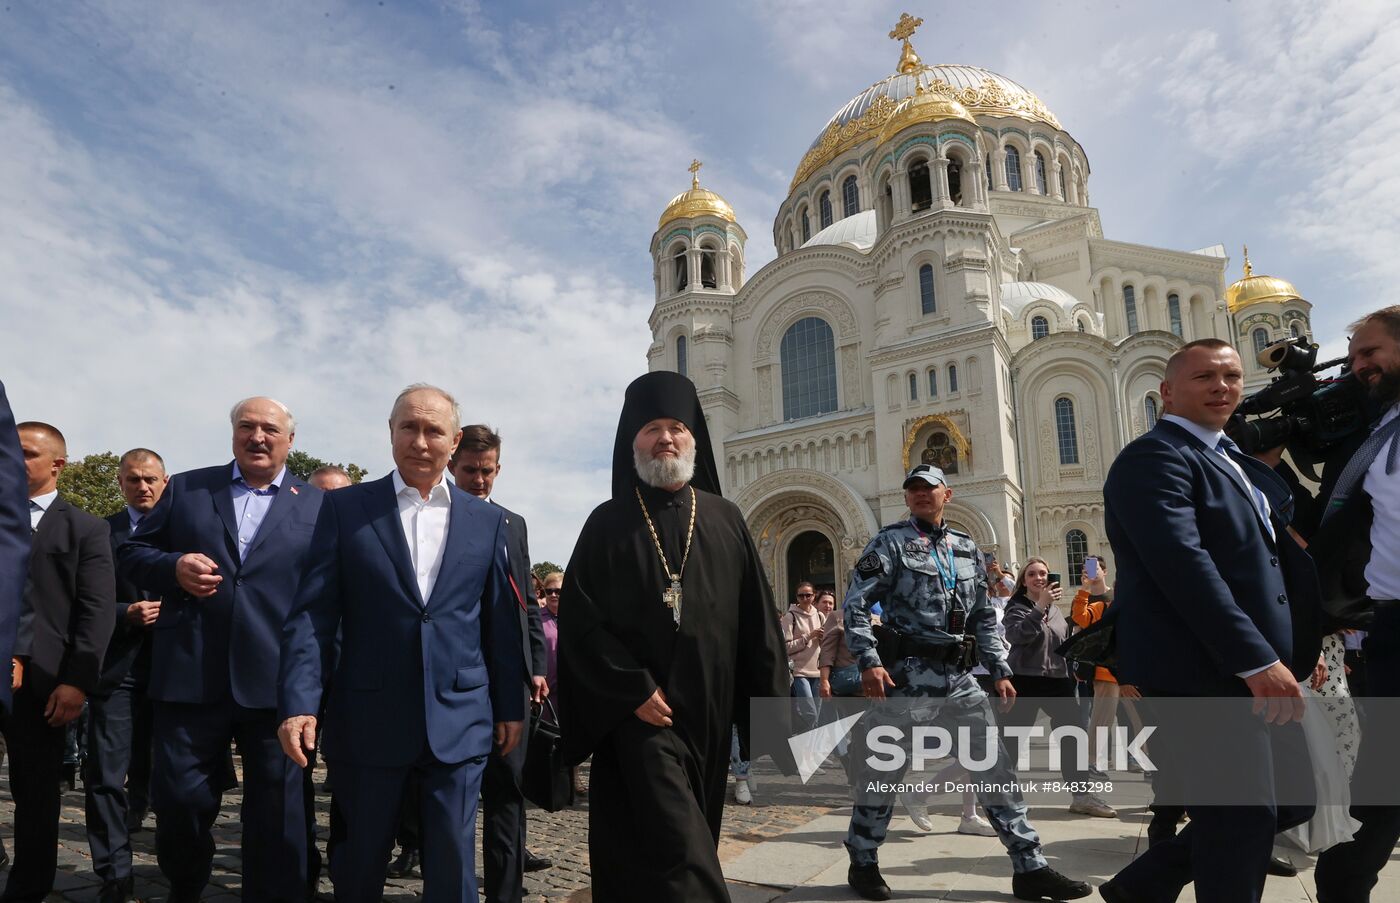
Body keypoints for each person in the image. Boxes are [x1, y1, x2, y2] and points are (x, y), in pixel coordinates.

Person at [277, 384, 523, 903]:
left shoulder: (489, 521)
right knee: (360, 860)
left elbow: (499, 622)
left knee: (454, 866)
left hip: (460, 719)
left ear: (454, 442)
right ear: (390, 432)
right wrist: (300, 703)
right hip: (368, 716)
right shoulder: (344, 509)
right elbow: (313, 616)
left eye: (434, 430)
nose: (420, 440)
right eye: (408, 427)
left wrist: (509, 707)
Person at [1098, 339, 1319, 903]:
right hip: (1203, 671)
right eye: (1204, 377)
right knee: (1240, 822)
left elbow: (1268, 562)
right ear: (1167, 391)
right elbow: (1184, 566)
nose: (1222, 386)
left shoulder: (1233, 459)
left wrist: (1291, 654)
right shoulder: (1155, 457)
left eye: (1232, 377)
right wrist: (1257, 659)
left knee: (1293, 799)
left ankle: (1141, 886)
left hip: (1254, 668)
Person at [557, 371, 789, 902]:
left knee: (676, 843)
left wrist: (772, 722)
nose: (665, 437)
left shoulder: (726, 519)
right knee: (681, 845)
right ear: (631, 442)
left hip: (707, 715)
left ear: (694, 440)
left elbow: (759, 622)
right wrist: (629, 687)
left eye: (677, 428)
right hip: (639, 715)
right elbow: (580, 622)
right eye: (652, 428)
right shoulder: (607, 523)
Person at [842, 463, 1090, 902]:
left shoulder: (965, 547)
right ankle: (863, 861)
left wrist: (999, 668)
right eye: (913, 488)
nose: (921, 494)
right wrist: (868, 660)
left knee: (995, 769)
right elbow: (857, 605)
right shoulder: (890, 543)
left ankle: (1029, 867)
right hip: (908, 676)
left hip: (960, 678)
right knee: (884, 769)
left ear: (946, 495)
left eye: (929, 488)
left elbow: (981, 615)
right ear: (907, 497)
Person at [118, 397, 324, 903]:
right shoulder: (188, 487)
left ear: (289, 440)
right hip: (190, 675)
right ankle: (186, 885)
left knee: (275, 814)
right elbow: (130, 551)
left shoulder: (317, 504)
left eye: (270, 429)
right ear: (232, 433)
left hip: (276, 682)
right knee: (180, 803)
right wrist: (173, 567)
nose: (258, 437)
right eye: (246, 427)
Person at [3, 422, 115, 903]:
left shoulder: (86, 528)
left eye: (25, 453)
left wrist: (76, 684)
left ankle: (27, 889)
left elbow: (95, 612)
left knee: (36, 796)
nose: (11, 460)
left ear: (57, 465)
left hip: (44, 685)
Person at [1313, 306, 1400, 901]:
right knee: (1381, 780)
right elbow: (1341, 520)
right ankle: (1344, 884)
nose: (1358, 366)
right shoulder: (1381, 429)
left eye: (1370, 353)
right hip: (1390, 622)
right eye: (1354, 355)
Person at [449, 425, 554, 897]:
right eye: (469, 470)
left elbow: (527, 602)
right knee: (453, 798)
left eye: (487, 471)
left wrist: (536, 665)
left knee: (508, 793)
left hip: (509, 682)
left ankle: (506, 892)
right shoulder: (436, 519)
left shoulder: (513, 523)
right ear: (452, 466)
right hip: (454, 680)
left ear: (498, 469)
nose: (478, 480)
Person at [85, 448, 168, 903]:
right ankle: (114, 871)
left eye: (151, 478)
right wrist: (124, 613)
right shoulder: (100, 532)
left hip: (177, 671)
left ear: (165, 481)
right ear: (120, 484)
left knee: (173, 776)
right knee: (104, 774)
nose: (143, 487)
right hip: (116, 670)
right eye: (134, 479)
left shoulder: (187, 530)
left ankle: (179, 862)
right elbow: (83, 599)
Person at [782, 581, 825, 739]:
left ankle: (806, 750)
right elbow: (786, 647)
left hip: (818, 671)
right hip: (799, 671)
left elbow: (825, 644)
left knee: (816, 716)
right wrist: (809, 636)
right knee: (810, 713)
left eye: (808, 595)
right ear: (796, 597)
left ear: (814, 596)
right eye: (801, 595)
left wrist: (822, 638)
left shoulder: (819, 615)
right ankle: (798, 742)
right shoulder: (790, 617)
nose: (805, 598)